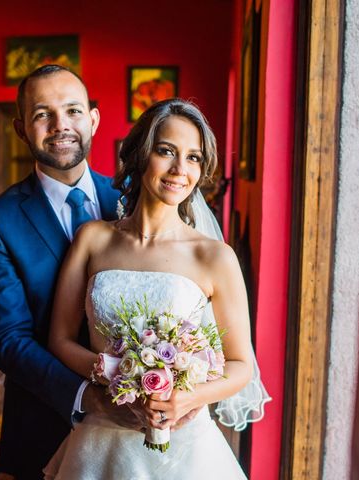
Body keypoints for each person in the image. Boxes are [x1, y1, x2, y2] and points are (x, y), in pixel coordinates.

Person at [44, 98, 255, 478]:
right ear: (141, 156)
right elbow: (59, 338)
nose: (180, 170)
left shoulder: (215, 257)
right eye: (166, 151)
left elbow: (242, 366)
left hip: (184, 448)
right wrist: (113, 375)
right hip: (102, 437)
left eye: (193, 158)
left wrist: (187, 398)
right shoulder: (93, 239)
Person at [0, 65, 143, 479]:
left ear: (94, 119)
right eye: (42, 114)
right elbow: (9, 339)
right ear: (21, 128)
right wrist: (89, 397)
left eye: (73, 110)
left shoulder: (134, 201)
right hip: (43, 421)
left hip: (140, 424)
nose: (60, 125)